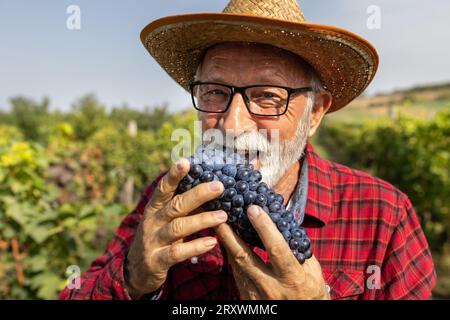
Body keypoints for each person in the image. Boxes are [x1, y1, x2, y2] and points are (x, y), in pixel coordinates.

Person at [59, 0, 436, 300]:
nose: (232, 124)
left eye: (268, 97)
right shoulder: (167, 200)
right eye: (215, 93)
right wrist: (133, 278)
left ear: (316, 112)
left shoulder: (384, 215)